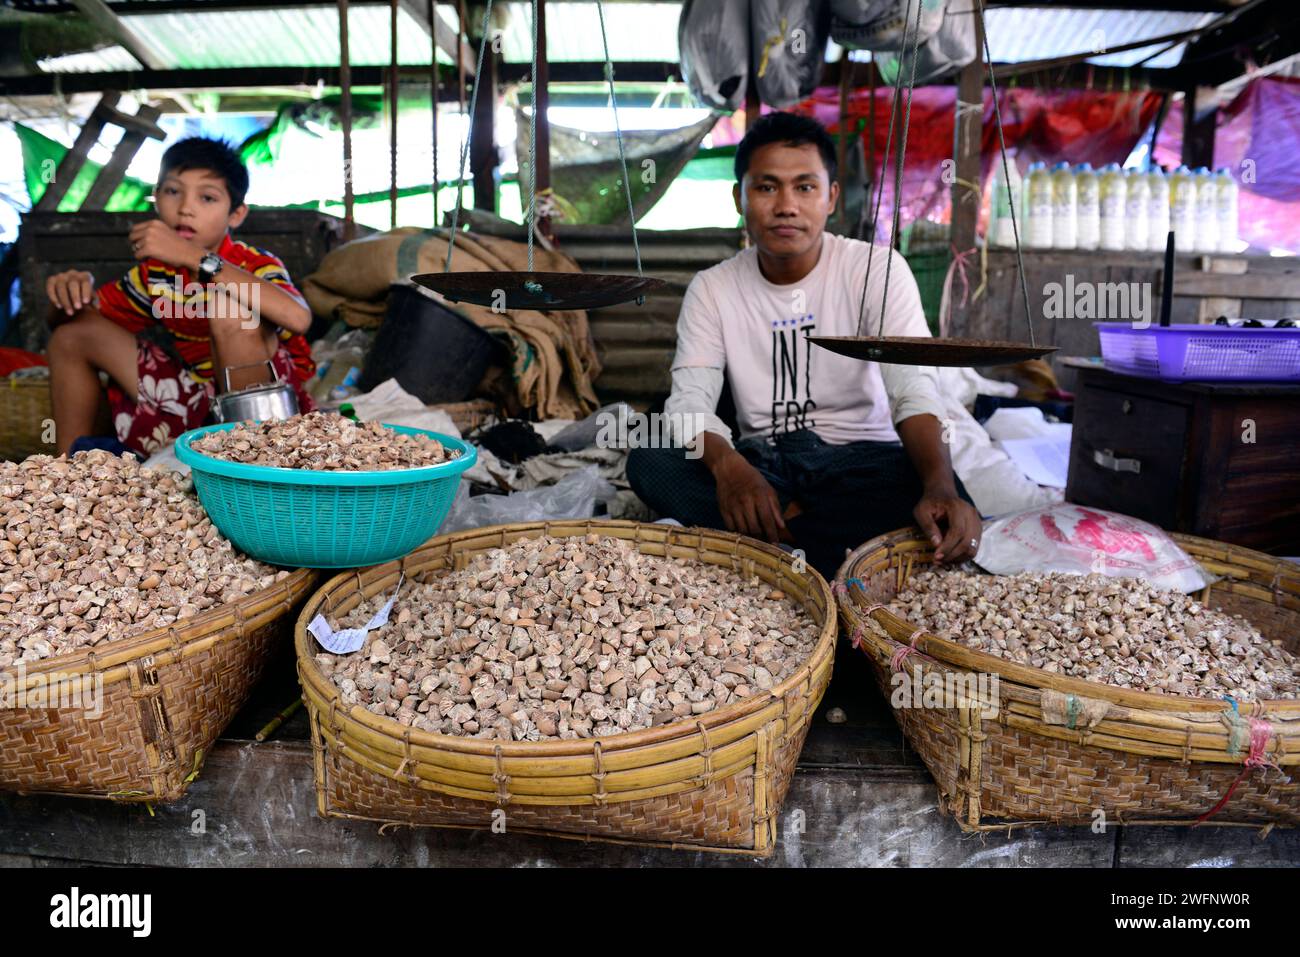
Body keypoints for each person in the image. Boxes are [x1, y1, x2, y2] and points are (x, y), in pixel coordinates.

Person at [626, 112, 982, 578]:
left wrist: (938, 486)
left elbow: (913, 390)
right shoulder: (713, 288)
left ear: (831, 196)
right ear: (739, 197)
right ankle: (844, 546)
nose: (786, 206)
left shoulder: (878, 270)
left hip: (864, 463)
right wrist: (729, 468)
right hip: (766, 464)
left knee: (942, 489)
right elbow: (689, 401)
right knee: (651, 461)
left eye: (805, 187)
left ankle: (778, 538)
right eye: (767, 187)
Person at [45, 136, 315, 458]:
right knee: (71, 335)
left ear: (236, 214)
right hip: (196, 398)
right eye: (173, 191)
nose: (186, 208)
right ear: (156, 198)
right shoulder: (155, 274)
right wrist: (70, 292)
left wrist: (195, 257)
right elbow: (78, 321)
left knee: (231, 308)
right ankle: (64, 470)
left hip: (270, 411)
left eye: (207, 198)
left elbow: (299, 319)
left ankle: (258, 465)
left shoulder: (253, 264)